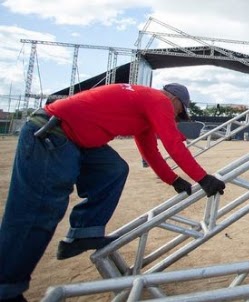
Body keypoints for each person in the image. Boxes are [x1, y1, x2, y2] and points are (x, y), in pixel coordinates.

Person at [0, 83, 226, 302]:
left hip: (74, 137)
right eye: (180, 112)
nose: (177, 117)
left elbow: (150, 150)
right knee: (36, 213)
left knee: (113, 169)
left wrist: (173, 179)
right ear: (175, 100)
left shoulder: (143, 105)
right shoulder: (159, 101)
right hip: (51, 133)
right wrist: (203, 178)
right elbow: (172, 142)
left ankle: (84, 233)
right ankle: (6, 290)